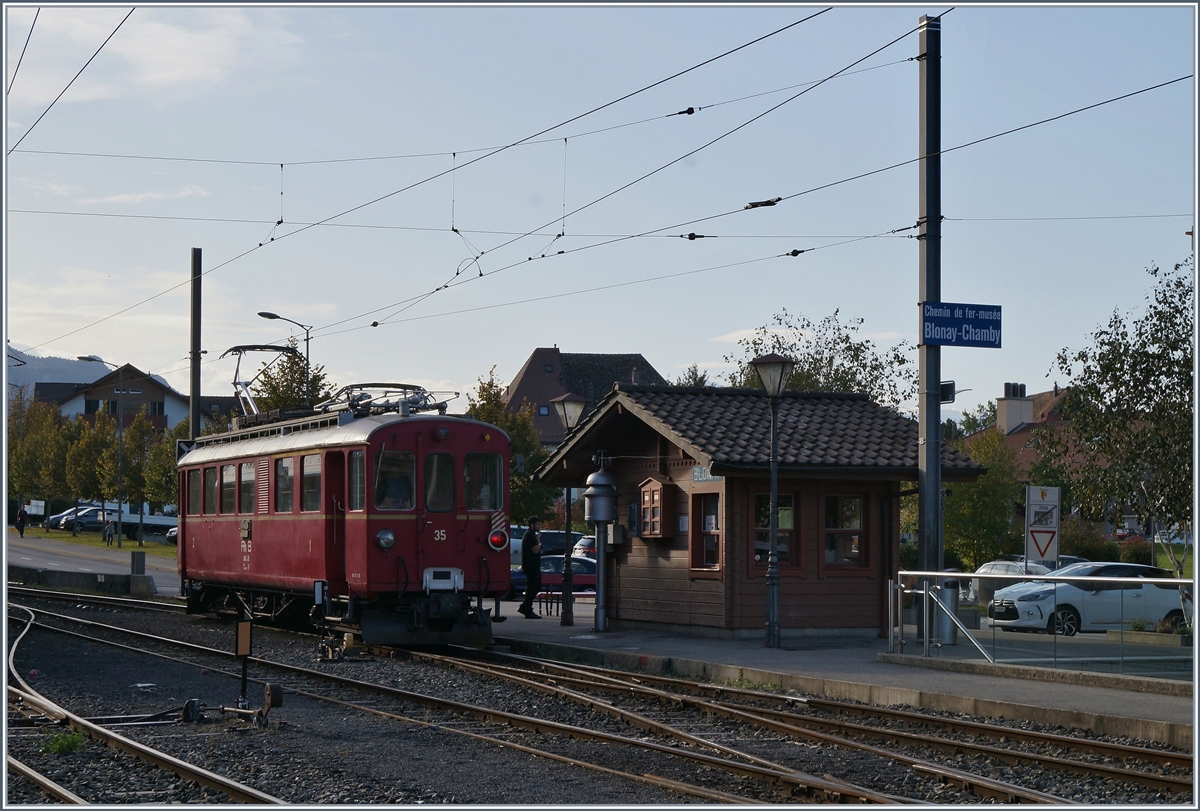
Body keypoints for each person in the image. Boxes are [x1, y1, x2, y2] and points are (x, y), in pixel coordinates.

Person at [518, 516, 544, 619]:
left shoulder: (530, 534)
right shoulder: (530, 535)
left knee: (535, 587)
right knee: (533, 588)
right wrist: (538, 541)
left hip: (533, 566)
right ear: (531, 525)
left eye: (539, 524)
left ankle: (524, 607)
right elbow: (535, 550)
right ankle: (527, 609)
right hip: (531, 567)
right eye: (537, 524)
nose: (539, 526)